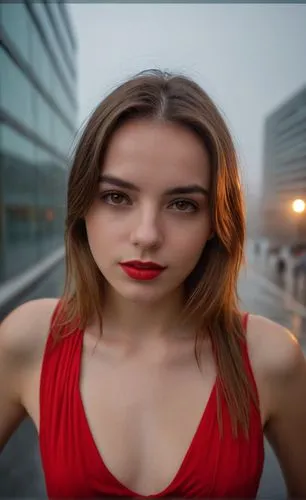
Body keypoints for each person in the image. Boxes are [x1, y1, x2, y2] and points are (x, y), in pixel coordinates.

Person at [1, 69, 306, 499]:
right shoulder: (28, 339)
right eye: (117, 197)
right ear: (83, 206)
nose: (147, 234)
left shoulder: (271, 359)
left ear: (216, 223)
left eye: (182, 204)